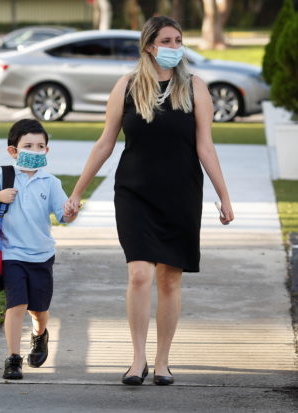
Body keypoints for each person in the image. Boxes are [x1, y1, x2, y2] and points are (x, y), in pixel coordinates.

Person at [65, 16, 234, 386]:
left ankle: (162, 361)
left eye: (178, 40)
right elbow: (105, 142)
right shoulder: (126, 87)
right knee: (139, 274)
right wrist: (77, 191)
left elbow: (205, 145)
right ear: (149, 46)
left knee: (170, 280)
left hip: (180, 194)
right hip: (134, 193)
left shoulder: (194, 87)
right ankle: (137, 359)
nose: (175, 47)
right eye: (167, 41)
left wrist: (224, 196)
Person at [0, 118, 78, 380]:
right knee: (16, 305)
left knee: (39, 310)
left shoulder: (50, 182)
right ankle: (13, 358)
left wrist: (70, 212)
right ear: (13, 150)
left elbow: (63, 215)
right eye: (28, 145)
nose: (34, 150)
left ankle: (39, 334)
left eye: (40, 146)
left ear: (46, 151)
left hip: (42, 255)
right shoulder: (4, 176)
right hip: (12, 254)